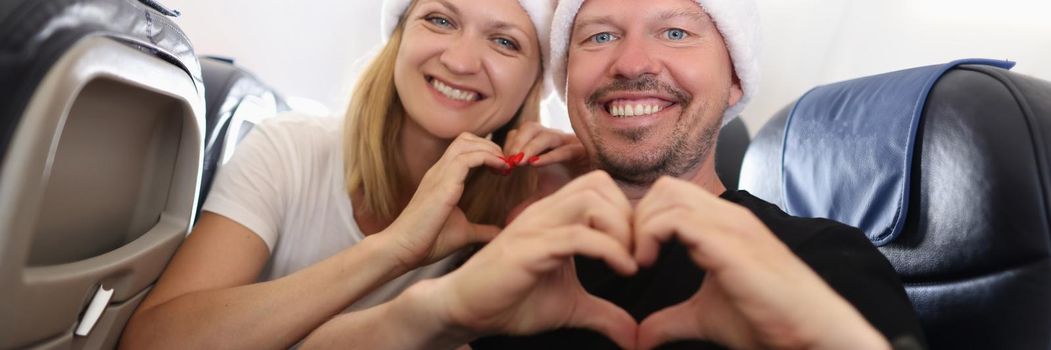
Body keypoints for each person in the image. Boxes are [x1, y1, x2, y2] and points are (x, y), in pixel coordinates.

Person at [303, 0, 927, 349]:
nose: (631, 63)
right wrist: (433, 313)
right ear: (566, 83)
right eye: (599, 36)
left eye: (676, 31)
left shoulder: (817, 260)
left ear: (735, 77)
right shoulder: (516, 264)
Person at [119, 0, 556, 348]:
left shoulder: (526, 210)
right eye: (440, 19)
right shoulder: (290, 149)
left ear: (536, 80)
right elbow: (154, 342)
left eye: (504, 42)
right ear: (399, 36)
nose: (461, 61)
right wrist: (392, 250)